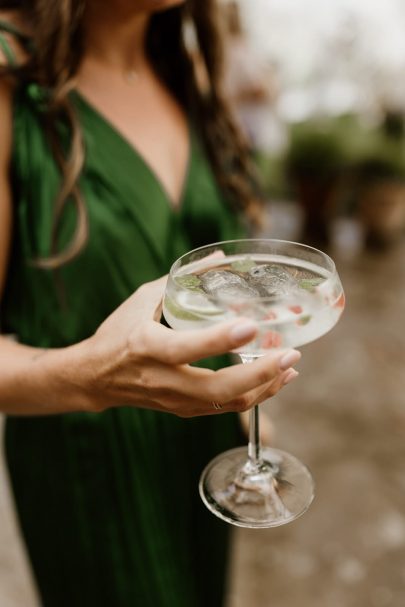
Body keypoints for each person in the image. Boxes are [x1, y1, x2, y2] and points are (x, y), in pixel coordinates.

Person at [0, 1, 301, 606]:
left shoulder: (185, 70)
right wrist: (88, 375)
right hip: (90, 468)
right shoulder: (11, 77)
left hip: (207, 443)